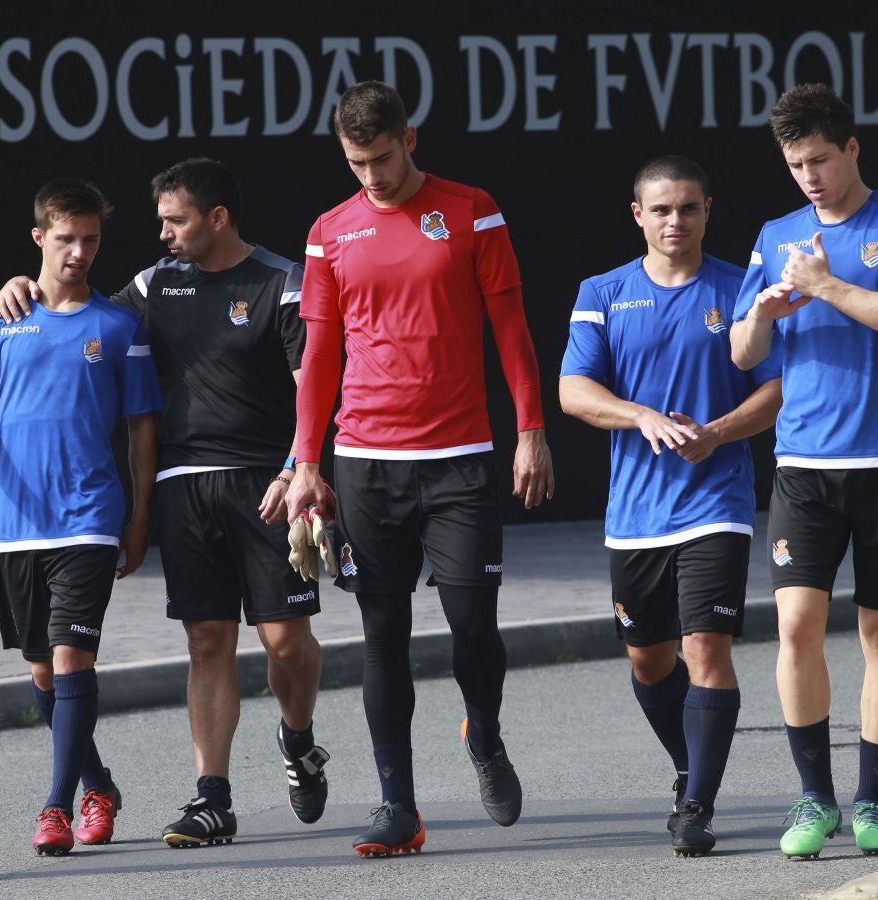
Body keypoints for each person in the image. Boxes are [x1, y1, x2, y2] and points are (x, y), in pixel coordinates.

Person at [0, 158, 329, 849]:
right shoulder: (152, 284)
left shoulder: (282, 282)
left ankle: (299, 741)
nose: (164, 234)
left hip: (268, 481)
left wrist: (300, 470)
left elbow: (313, 388)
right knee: (208, 641)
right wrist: (21, 285)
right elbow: (75, 314)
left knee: (284, 642)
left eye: (175, 221)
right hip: (185, 484)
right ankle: (213, 798)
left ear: (217, 219)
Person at [284, 80, 555, 858]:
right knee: (383, 635)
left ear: (412, 136)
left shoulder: (473, 209)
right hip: (365, 461)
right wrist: (307, 462)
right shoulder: (330, 231)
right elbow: (319, 357)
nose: (370, 176)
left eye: (381, 157)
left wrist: (530, 430)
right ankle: (397, 806)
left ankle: (486, 735)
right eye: (354, 162)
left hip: (461, 458)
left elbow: (512, 330)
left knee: (474, 628)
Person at [728, 83, 878, 859]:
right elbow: (741, 353)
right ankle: (813, 799)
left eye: (820, 159)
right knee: (795, 627)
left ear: (851, 148)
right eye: (796, 164)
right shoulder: (776, 232)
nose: (810, 177)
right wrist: (763, 313)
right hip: (804, 466)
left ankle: (872, 803)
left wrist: (828, 286)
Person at [559, 156, 782, 857]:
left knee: (705, 646)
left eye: (688, 207)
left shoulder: (740, 287)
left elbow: (775, 391)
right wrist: (640, 416)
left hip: (718, 501)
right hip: (635, 514)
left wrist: (715, 432)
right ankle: (689, 762)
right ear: (638, 215)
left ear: (708, 209)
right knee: (650, 661)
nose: (675, 221)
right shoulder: (602, 291)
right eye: (661, 209)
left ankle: (697, 804)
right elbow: (573, 392)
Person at [0, 178, 161, 855]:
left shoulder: (119, 325)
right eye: (66, 238)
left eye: (91, 239)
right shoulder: (1, 316)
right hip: (14, 523)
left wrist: (139, 517)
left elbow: (143, 430)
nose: (80, 252)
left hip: (90, 518)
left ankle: (56, 807)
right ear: (39, 237)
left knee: (72, 657)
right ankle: (97, 782)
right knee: (43, 672)